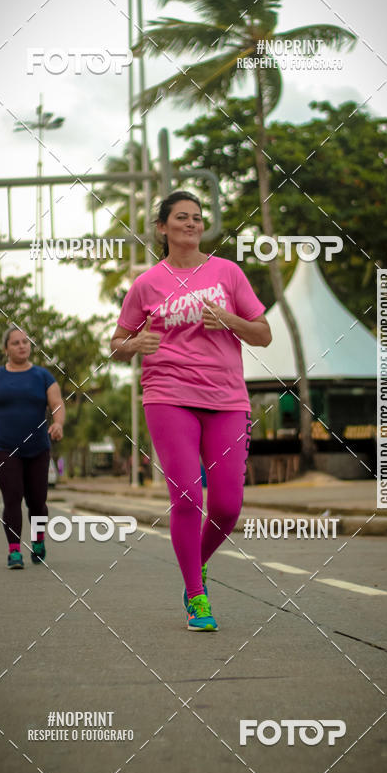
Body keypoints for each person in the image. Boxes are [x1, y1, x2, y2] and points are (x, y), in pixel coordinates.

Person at [111, 190, 271, 631]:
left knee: (227, 506)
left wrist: (230, 321)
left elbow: (263, 334)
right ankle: (196, 596)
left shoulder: (227, 273)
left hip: (226, 399)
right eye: (182, 217)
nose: (192, 224)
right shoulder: (146, 284)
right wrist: (135, 345)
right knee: (186, 496)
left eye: (198, 218)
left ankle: (193, 566)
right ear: (162, 228)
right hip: (168, 395)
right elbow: (117, 345)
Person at [0, 325, 65, 569]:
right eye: (15, 343)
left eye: (25, 342)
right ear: (6, 349)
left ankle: (38, 539)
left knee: (37, 501)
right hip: (4, 447)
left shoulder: (43, 376)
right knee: (12, 498)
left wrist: (57, 423)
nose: (22, 346)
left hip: (37, 448)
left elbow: (56, 403)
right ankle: (14, 551)